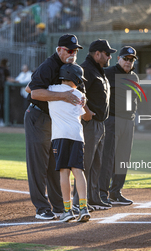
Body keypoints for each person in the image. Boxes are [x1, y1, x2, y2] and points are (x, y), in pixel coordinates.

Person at [24, 34, 84, 220]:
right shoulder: (50, 65)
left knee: (54, 164)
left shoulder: (71, 68)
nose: (72, 53)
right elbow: (32, 91)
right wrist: (63, 96)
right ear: (59, 50)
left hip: (55, 121)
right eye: (69, 50)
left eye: (75, 50)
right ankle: (41, 208)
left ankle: (59, 206)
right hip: (38, 116)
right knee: (38, 165)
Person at [73, 39, 116, 210]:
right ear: (97, 54)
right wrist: (86, 113)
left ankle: (93, 197)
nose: (109, 57)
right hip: (90, 124)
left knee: (96, 163)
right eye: (107, 54)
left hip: (100, 123)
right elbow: (77, 94)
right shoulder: (86, 70)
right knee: (85, 163)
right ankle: (78, 201)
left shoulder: (98, 70)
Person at [48, 63, 90, 222]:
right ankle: (83, 207)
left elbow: (32, 90)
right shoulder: (80, 95)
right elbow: (82, 116)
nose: (79, 82)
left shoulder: (51, 89)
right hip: (78, 136)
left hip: (60, 136)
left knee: (64, 173)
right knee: (78, 171)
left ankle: (67, 211)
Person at [99, 46, 139, 206]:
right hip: (112, 120)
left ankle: (116, 192)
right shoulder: (108, 73)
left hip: (129, 121)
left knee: (123, 158)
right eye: (126, 58)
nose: (128, 62)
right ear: (119, 59)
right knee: (108, 157)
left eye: (131, 59)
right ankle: (102, 193)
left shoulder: (134, 77)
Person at [0, 58, 15, 126]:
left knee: (0, 106)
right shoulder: (4, 70)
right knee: (2, 106)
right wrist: (15, 81)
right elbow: (8, 78)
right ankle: (0, 121)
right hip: (2, 91)